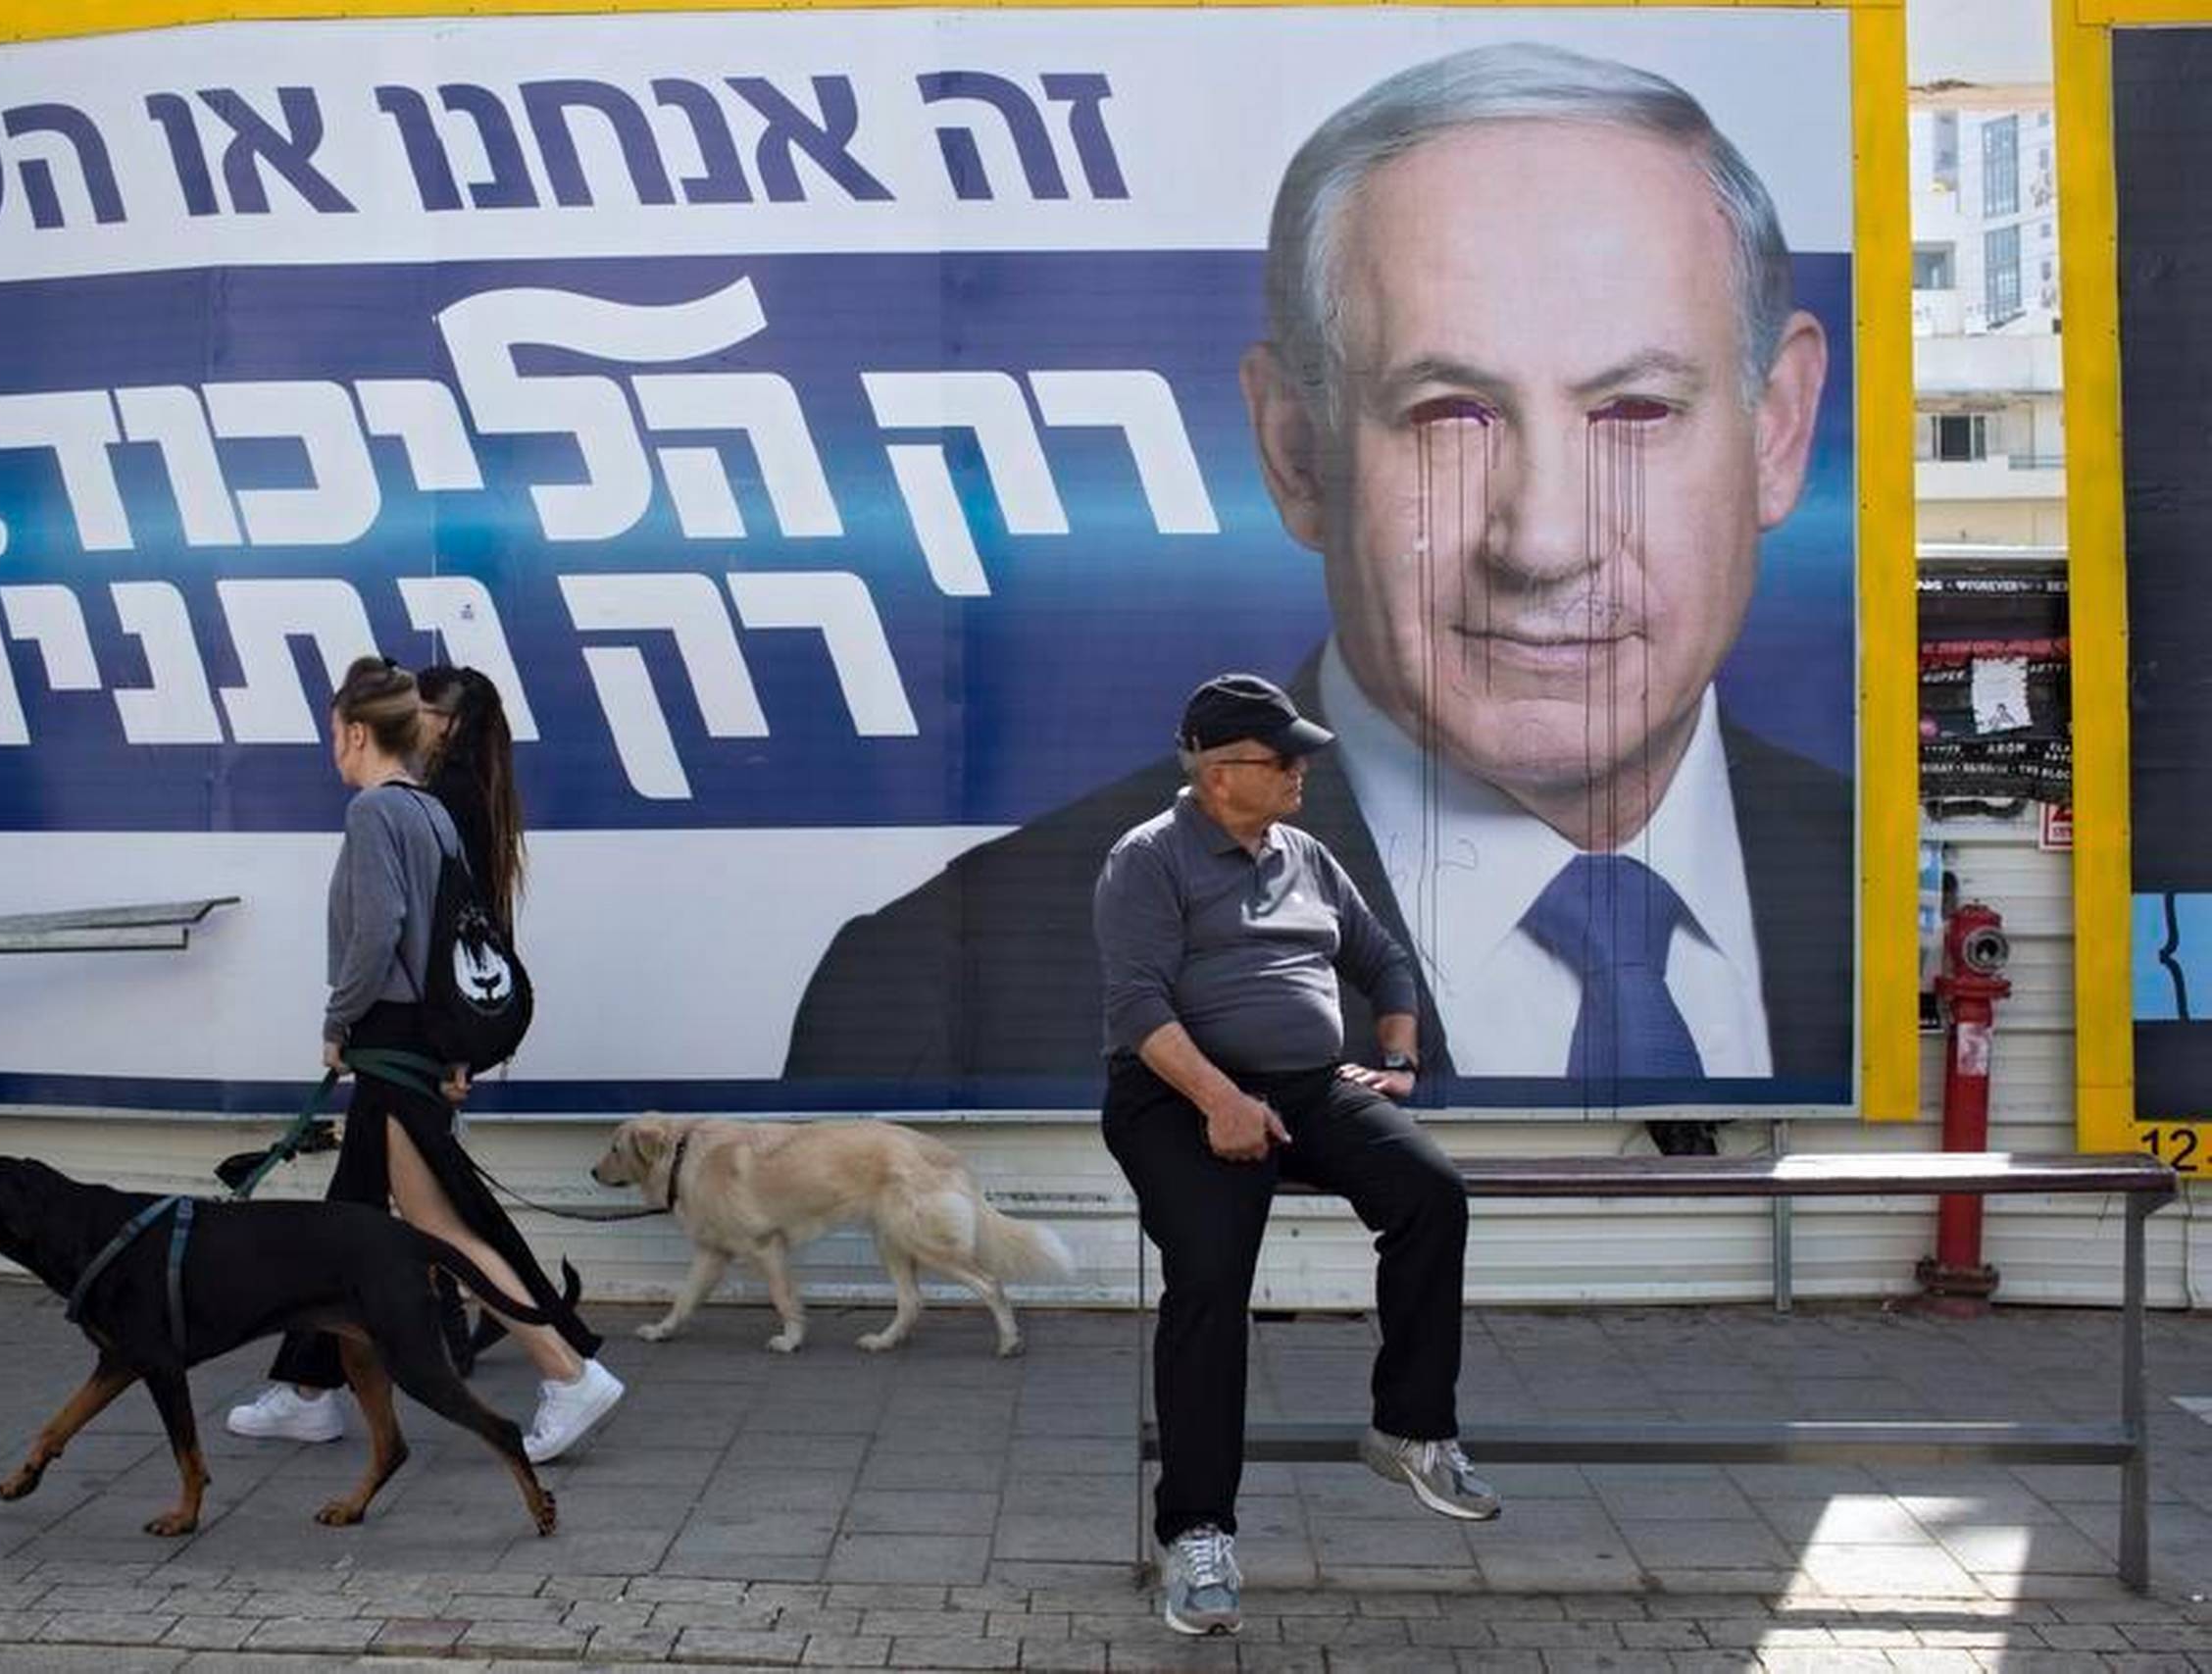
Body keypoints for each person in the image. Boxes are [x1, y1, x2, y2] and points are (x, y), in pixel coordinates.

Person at [787, 42, 1853, 1137]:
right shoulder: (940, 981)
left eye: (1633, 411)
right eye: (1448, 414)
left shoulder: (1851, 879)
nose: (1542, 541)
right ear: (1296, 451)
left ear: (1776, 430)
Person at [1101, 672, 1496, 1639]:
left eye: (1301, 758)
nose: (1300, 773)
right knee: (1207, 1277)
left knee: (1429, 1193)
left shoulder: (1305, 855)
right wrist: (1222, 1099)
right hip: (1176, 1096)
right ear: (1218, 770)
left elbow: (1382, 961)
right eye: (1283, 760)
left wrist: (1395, 1056)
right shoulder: (1148, 859)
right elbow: (1138, 1010)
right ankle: (1196, 1533)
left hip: (1310, 1088)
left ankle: (1409, 1426)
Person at [226, 657, 624, 1465]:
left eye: (333, 730)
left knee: (443, 1225)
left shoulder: (377, 812)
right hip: (419, 1042)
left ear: (357, 731)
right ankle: (309, 1391)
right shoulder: (433, 812)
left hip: (393, 1038)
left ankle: (568, 1371)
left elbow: (380, 934)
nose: (331, 746)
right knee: (372, 1218)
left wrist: (337, 1020)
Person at [414, 663, 528, 1375]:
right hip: (456, 1009)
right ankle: (510, 1307)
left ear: (450, 725)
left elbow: (439, 923)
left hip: (437, 1015)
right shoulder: (476, 792)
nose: (411, 717)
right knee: (434, 1179)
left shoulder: (447, 798)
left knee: (430, 1186)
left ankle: (475, 1319)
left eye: (422, 709)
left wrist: (450, 1043)